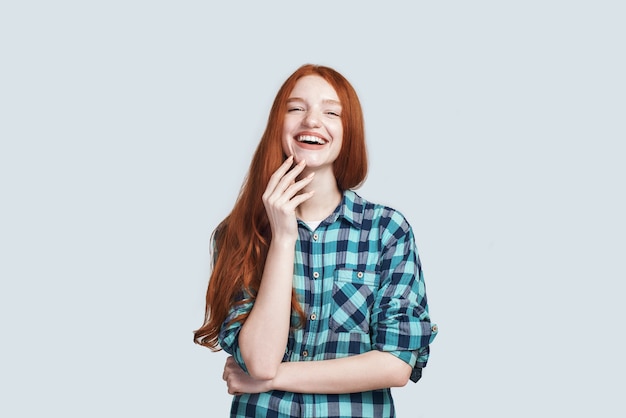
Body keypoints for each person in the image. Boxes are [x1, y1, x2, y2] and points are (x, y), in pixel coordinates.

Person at [194, 64, 438, 417]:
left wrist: (271, 380)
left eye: (331, 112)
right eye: (296, 108)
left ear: (347, 132)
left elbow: (395, 365)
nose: (312, 120)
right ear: (278, 126)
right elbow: (261, 361)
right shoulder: (237, 234)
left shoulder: (387, 231)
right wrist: (282, 238)